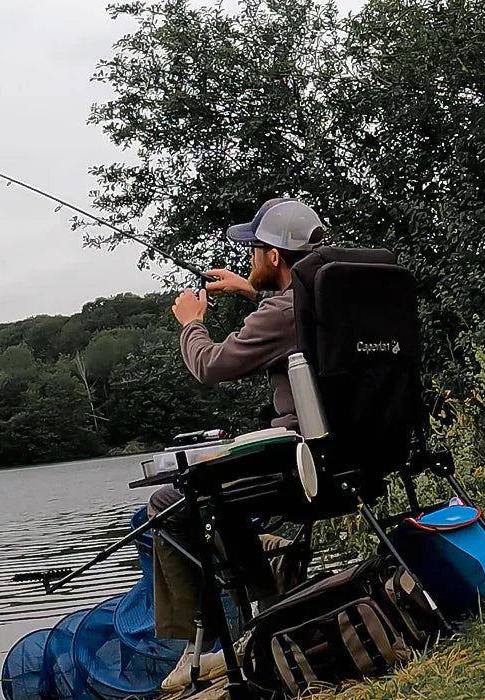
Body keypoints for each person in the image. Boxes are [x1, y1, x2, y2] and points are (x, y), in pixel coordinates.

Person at [149, 197, 326, 692]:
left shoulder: (281, 311)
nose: (248, 259)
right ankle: (269, 595)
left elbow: (210, 365)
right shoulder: (337, 295)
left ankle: (240, 626)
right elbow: (296, 317)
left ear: (274, 257)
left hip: (303, 463)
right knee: (212, 493)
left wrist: (191, 323)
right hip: (360, 456)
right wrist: (252, 291)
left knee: (169, 500)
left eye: (254, 252)